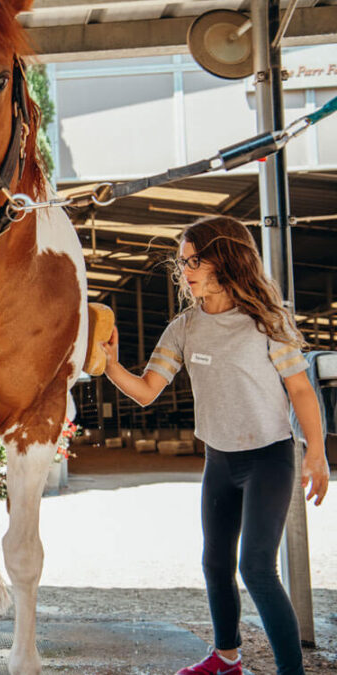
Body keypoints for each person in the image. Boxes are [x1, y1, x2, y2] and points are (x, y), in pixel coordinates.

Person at [99, 216, 328, 675]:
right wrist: (109, 365)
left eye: (193, 261)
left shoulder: (267, 320)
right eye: (182, 263)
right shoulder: (184, 328)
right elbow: (147, 390)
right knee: (214, 563)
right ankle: (227, 659)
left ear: (225, 259)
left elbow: (301, 391)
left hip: (269, 458)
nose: (185, 271)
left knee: (258, 568)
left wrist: (317, 454)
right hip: (220, 461)